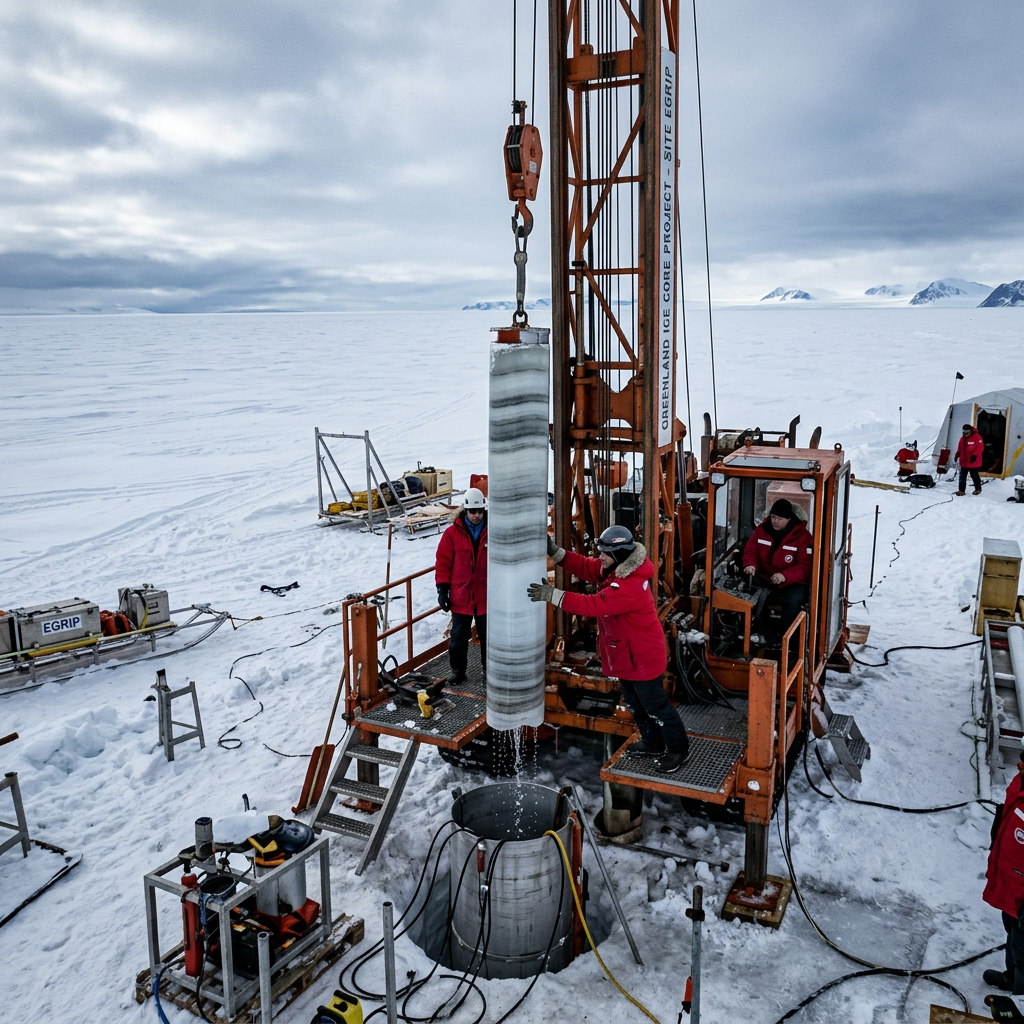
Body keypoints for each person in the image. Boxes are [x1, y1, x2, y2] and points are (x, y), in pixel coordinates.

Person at [526, 525, 690, 774]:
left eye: (604, 552)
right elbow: (586, 566)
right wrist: (556, 552)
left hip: (642, 658)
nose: (599, 556)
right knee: (635, 704)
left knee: (656, 707)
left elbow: (592, 605)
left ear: (621, 554)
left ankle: (678, 751)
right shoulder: (614, 569)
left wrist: (553, 595)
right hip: (628, 656)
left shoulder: (629, 585)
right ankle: (653, 743)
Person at [982, 745, 1024, 995]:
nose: (1019, 765)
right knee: (1012, 932)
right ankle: (1013, 978)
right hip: (1011, 883)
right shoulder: (1019, 783)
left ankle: (1021, 998)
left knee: (1022, 947)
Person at [435, 487, 487, 684]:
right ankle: (458, 670)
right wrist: (442, 590)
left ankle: (488, 671)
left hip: (486, 597)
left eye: (480, 511)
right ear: (465, 510)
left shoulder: (492, 531)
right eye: (472, 512)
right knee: (458, 638)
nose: (476, 516)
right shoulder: (452, 534)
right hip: (461, 596)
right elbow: (443, 562)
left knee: (488, 638)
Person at [741, 498, 812, 635]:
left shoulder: (803, 537)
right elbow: (751, 551)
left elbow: (805, 566)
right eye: (773, 517)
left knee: (793, 601)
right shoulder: (762, 530)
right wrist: (750, 565)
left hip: (792, 583)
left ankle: (786, 638)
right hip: (764, 578)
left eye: (780, 519)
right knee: (748, 595)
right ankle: (756, 633)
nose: (775, 521)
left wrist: (785, 576)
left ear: (789, 519)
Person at [955, 423, 984, 496]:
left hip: (973, 461)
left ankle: (978, 489)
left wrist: (975, 455)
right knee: (962, 476)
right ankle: (961, 490)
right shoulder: (962, 439)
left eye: (967, 433)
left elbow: (980, 447)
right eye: (964, 433)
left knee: (974, 475)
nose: (966, 434)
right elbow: (960, 448)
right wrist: (957, 454)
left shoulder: (977, 437)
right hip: (964, 461)